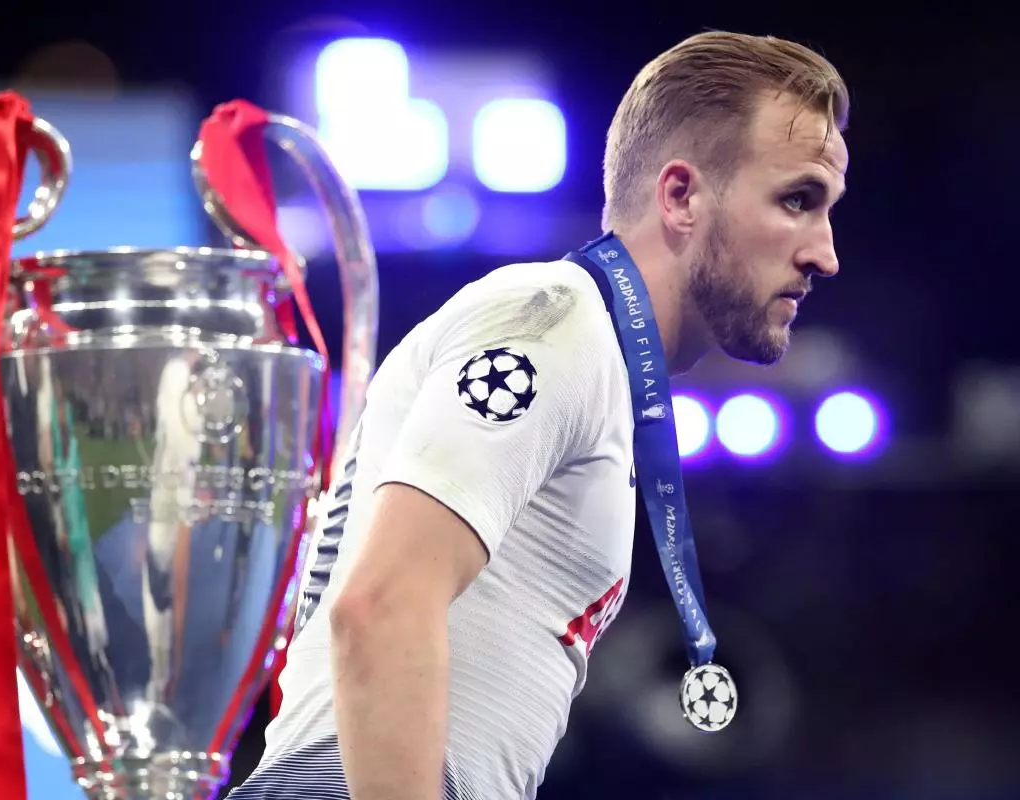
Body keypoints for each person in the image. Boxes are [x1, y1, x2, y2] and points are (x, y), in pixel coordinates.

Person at [227, 29, 850, 800]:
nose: (824, 252)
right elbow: (381, 606)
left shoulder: (592, 354)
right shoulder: (556, 321)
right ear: (681, 195)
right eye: (797, 200)